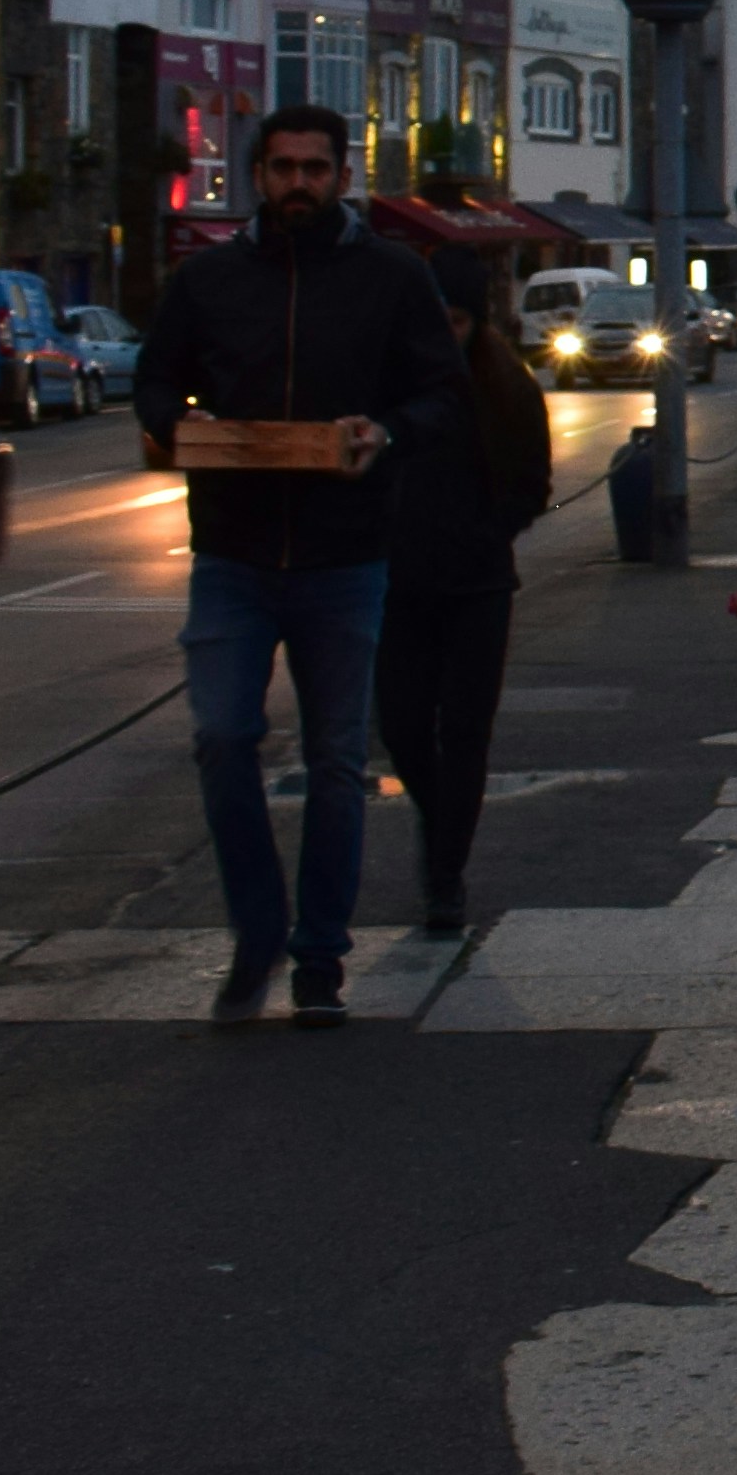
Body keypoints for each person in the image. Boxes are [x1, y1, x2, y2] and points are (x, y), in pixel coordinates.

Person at [133, 104, 465, 1020]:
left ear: (343, 177)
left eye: (315, 169)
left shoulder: (392, 275)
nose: (298, 185)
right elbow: (155, 376)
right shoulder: (208, 279)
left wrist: (384, 432)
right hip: (231, 552)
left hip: (343, 554)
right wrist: (178, 424)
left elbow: (443, 393)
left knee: (336, 760)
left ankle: (320, 956)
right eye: (283, 169)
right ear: (257, 176)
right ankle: (256, 933)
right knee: (221, 738)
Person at [378, 250, 552, 936]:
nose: (445, 335)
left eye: (456, 321)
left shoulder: (507, 387)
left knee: (465, 731)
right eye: (436, 320)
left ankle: (445, 875)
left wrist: (490, 532)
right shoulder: (389, 383)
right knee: (402, 727)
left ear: (477, 322)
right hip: (398, 583)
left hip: (477, 583)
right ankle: (442, 820)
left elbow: (531, 481)